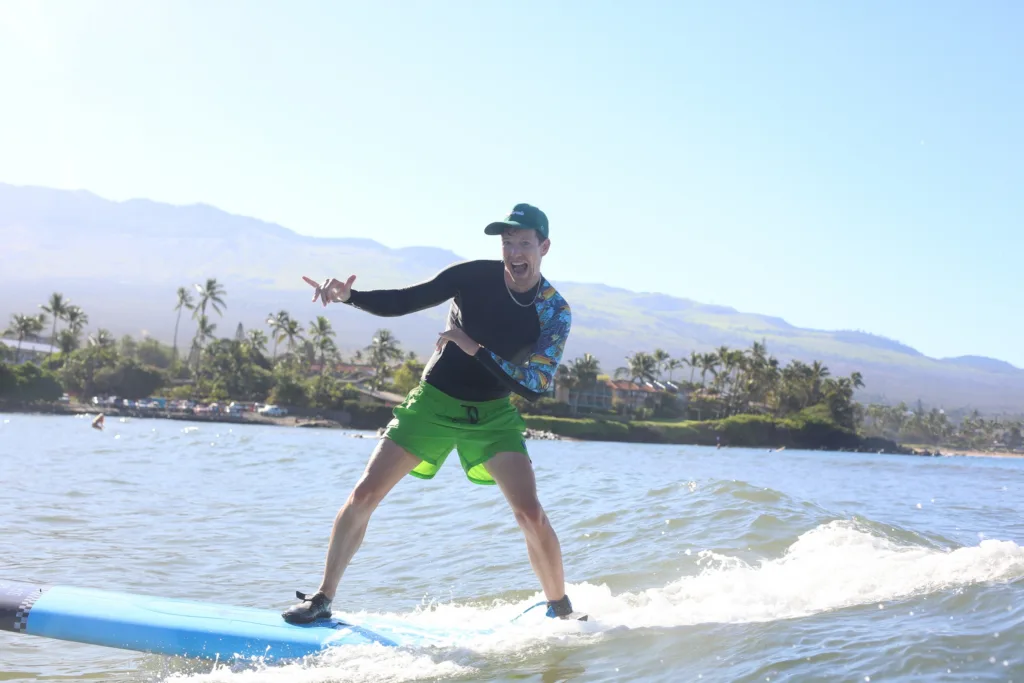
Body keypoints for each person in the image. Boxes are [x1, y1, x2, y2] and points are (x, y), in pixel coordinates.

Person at [284, 203, 583, 623]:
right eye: (507, 243)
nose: (515, 252)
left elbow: (534, 386)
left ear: (544, 247)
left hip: (493, 414)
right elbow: (407, 300)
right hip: (434, 401)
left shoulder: (554, 311)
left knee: (530, 512)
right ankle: (322, 598)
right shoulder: (471, 277)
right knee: (366, 493)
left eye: (524, 244)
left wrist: (472, 347)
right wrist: (351, 297)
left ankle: (562, 610)